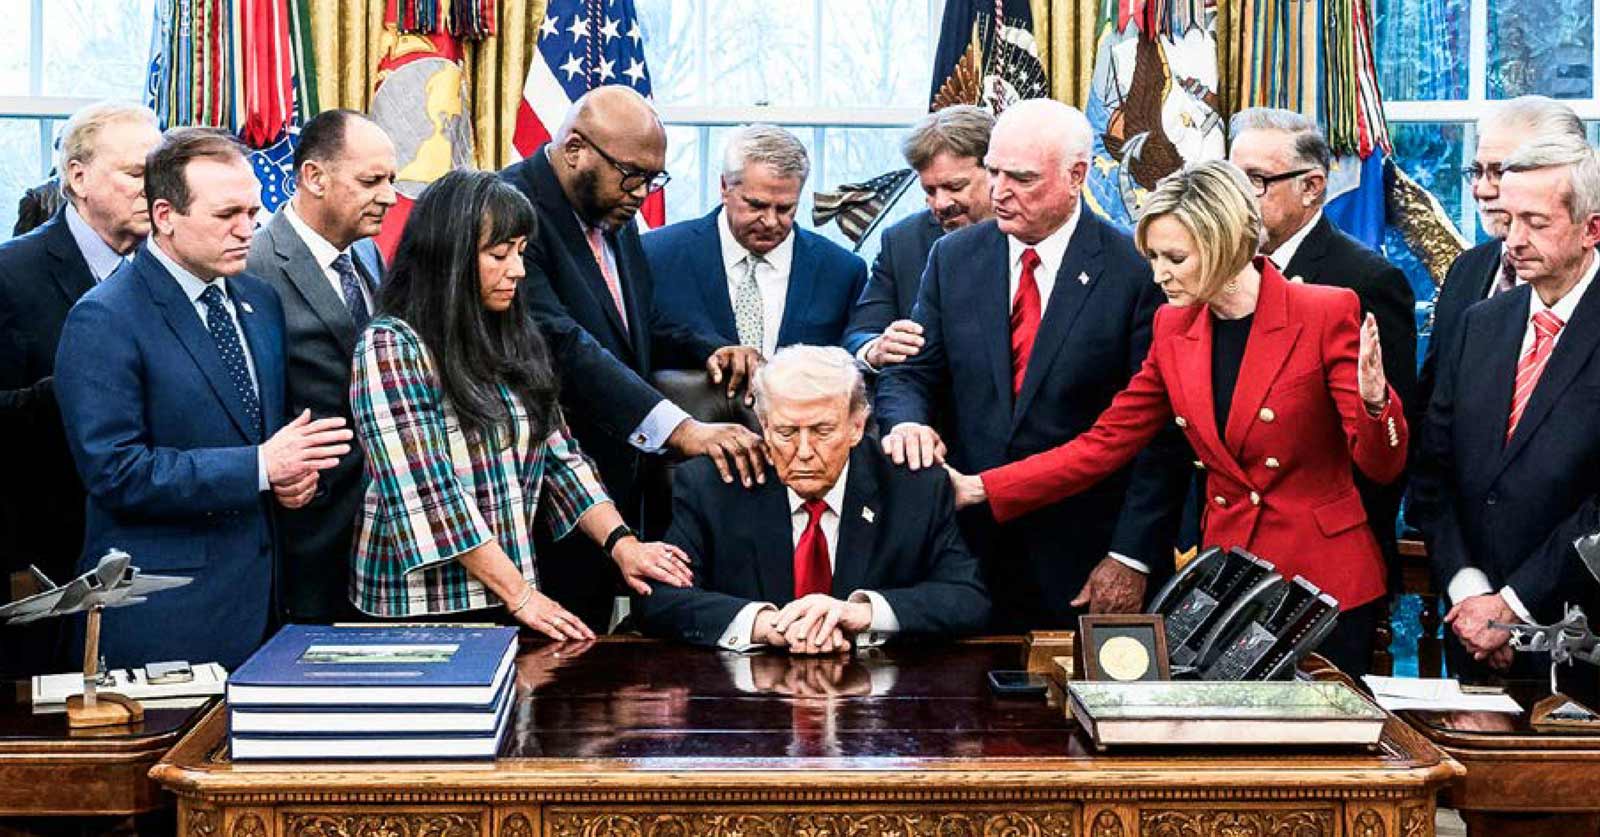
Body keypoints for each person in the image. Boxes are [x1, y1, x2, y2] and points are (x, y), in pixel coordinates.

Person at [945, 161, 1406, 676]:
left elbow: (1382, 466)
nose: (1158, 274)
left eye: (1175, 258)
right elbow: (1105, 442)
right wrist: (982, 488)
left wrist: (1374, 404)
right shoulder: (1172, 326)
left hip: (1320, 589)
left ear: (1223, 244)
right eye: (1153, 257)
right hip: (1230, 584)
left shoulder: (1324, 310)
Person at [875, 98, 1185, 632]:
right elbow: (911, 372)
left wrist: (1130, 555)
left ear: (1076, 176)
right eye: (993, 172)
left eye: (1021, 178)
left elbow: (1157, 436)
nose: (999, 191)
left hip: (1084, 554)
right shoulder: (953, 257)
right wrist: (906, 422)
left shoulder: (1135, 270)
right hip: (965, 550)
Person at [53, 127, 353, 669]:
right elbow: (116, 472)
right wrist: (259, 467)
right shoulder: (105, 317)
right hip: (164, 620)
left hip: (267, 610)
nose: (247, 228)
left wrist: (291, 479)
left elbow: (259, 432)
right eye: (226, 214)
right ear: (165, 216)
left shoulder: (258, 300)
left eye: (253, 211)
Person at [349, 170, 695, 637]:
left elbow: (561, 458)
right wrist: (522, 596)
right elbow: (430, 494)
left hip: (510, 594)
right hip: (420, 607)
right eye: (499, 255)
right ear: (448, 256)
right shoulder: (391, 345)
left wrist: (623, 544)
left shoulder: (512, 336)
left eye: (520, 251)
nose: (518, 270)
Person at [500, 84, 765, 631]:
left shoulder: (611, 212)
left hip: (611, 498)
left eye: (653, 178)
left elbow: (632, 327)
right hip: (544, 504)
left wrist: (708, 348)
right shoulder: (510, 209)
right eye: (632, 174)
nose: (642, 192)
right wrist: (681, 429)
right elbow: (561, 343)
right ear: (575, 149)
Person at [635, 345, 989, 651]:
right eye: (787, 432)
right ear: (764, 425)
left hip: (876, 696)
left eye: (822, 430)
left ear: (856, 426)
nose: (803, 452)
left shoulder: (914, 487)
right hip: (744, 697)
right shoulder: (712, 485)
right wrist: (766, 625)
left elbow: (967, 597)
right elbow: (659, 599)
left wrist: (861, 614)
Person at [1415, 135, 1600, 680]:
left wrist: (1512, 607)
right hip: (1472, 636)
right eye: (1507, 218)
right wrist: (1471, 594)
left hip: (1580, 648)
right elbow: (1433, 474)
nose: (1513, 240)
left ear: (1592, 229)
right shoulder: (1481, 323)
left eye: (1536, 223)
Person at [0, 104, 161, 675]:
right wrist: (83, 385)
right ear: (78, 176)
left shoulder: (168, 274)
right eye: (136, 173)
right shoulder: (11, 275)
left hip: (150, 558)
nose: (153, 189)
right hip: (45, 563)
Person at [1228, 108, 1416, 572]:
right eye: (1231, 179)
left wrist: (1347, 555)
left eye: (1255, 180)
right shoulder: (1219, 271)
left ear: (1311, 187)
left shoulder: (1365, 281)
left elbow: (1383, 446)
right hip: (1228, 544)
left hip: (1323, 561)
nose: (1236, 197)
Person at [246, 109, 394, 623]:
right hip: (307, 536)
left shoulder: (368, 253)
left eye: (390, 179)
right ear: (314, 177)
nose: (389, 196)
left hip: (378, 537)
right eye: (371, 181)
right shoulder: (254, 266)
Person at [1416, 97, 1585, 417]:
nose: (1481, 189)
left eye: (1500, 171)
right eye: (1476, 171)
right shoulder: (1466, 269)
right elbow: (1433, 402)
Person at [645, 125, 868, 355]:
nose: (770, 221)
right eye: (756, 205)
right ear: (725, 187)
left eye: (784, 208)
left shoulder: (842, 273)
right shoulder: (657, 257)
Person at [845, 105, 995, 370]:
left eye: (955, 187)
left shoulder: (1029, 231)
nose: (940, 203)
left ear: (995, 171)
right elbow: (859, 334)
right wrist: (875, 349)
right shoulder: (903, 241)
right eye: (929, 190)